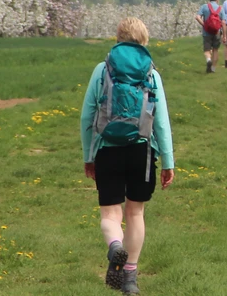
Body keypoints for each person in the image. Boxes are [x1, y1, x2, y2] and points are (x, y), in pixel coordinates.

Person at [80, 17, 175, 294]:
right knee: (135, 213)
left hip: (107, 148)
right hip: (141, 150)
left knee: (111, 214)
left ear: (118, 39)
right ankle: (130, 278)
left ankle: (115, 247)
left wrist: (89, 155)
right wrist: (168, 162)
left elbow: (88, 115)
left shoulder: (102, 70)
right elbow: (161, 122)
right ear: (144, 41)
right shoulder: (151, 73)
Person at [195, 0, 224, 73]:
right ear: (217, 0)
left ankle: (208, 60)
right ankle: (213, 69)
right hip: (217, 33)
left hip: (206, 32)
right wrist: (224, 35)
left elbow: (197, 17)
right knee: (215, 50)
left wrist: (204, 25)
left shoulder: (204, 6)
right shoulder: (220, 8)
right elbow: (224, 22)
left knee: (207, 50)